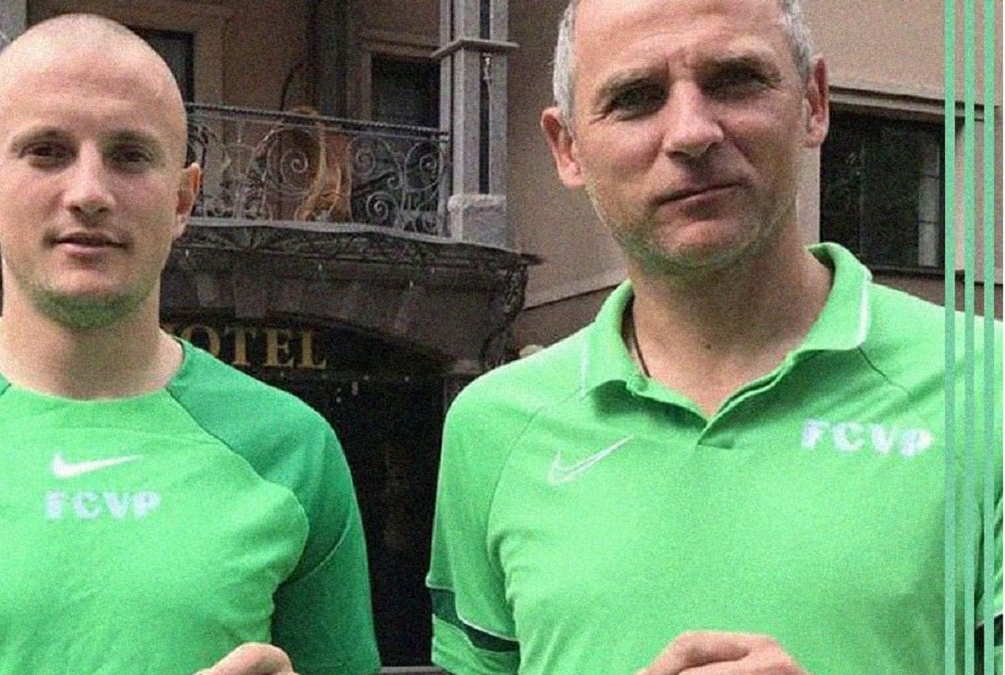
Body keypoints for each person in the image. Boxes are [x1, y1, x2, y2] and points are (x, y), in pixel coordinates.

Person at [426, 0, 1002, 673]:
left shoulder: (987, 390)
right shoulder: (492, 429)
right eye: (635, 98)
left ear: (813, 103)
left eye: (735, 81)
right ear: (568, 147)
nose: (692, 132)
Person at [0, 14, 380, 675]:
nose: (89, 193)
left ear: (183, 199)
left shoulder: (294, 450)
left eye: (130, 155)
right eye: (47, 151)